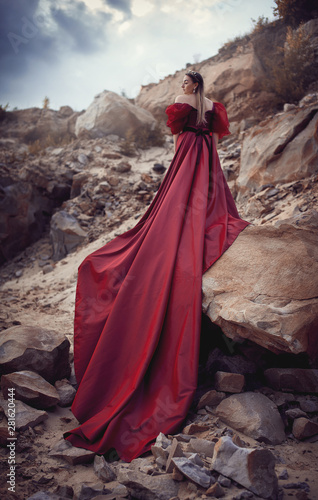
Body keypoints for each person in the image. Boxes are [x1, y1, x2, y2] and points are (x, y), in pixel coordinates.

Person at [64, 70, 249, 462]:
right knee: (203, 205)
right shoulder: (214, 108)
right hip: (206, 165)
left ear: (192, 84)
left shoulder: (185, 105)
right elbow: (214, 139)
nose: (181, 85)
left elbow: (175, 131)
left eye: (185, 81)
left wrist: (182, 102)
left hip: (186, 162)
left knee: (167, 218)